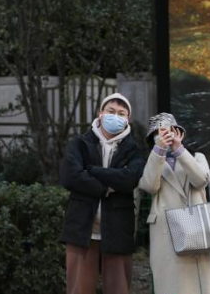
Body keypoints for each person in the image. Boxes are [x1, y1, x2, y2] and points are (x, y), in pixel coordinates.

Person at [59, 93, 145, 294]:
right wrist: (105, 188)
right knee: (78, 288)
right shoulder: (80, 143)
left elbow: (130, 179)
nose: (116, 116)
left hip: (117, 226)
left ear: (127, 119)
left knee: (118, 287)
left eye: (122, 113)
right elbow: (70, 176)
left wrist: (93, 170)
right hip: (82, 225)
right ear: (100, 114)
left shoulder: (133, 149)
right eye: (111, 111)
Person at [138, 113, 210, 294]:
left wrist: (179, 149)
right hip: (166, 230)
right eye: (158, 132)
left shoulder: (197, 157)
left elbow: (201, 180)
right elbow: (149, 185)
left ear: (179, 132)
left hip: (196, 228)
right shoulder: (151, 162)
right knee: (170, 284)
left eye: (169, 130)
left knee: (198, 284)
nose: (165, 134)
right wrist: (159, 151)